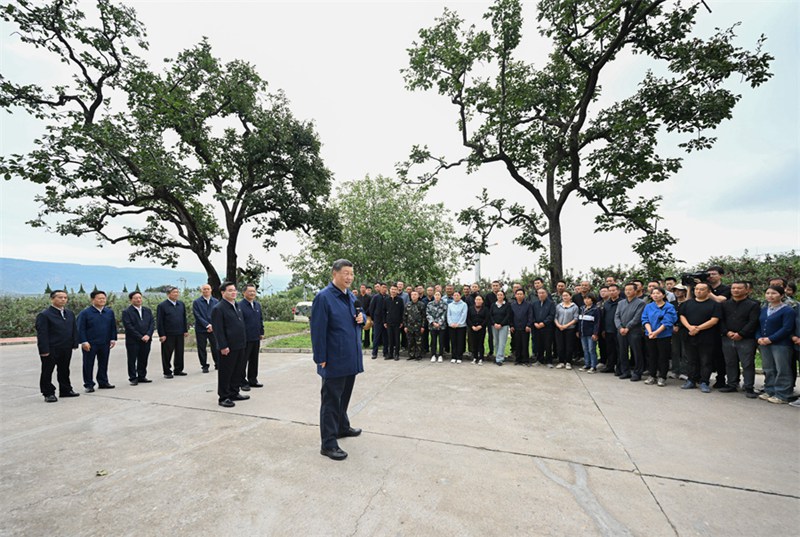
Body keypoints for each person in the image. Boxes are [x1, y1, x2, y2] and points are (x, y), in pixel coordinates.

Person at [310, 259, 365, 461]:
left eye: (351, 273)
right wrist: (320, 358)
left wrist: (363, 318)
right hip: (333, 359)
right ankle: (328, 443)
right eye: (345, 273)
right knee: (331, 401)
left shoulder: (350, 296)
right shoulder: (324, 298)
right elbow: (317, 330)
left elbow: (360, 316)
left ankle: (342, 427)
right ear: (335, 273)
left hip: (350, 358)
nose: (349, 277)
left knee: (344, 398)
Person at [35, 290, 80, 402]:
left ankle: (65, 390)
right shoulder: (44, 315)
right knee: (47, 371)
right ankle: (48, 393)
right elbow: (42, 334)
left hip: (66, 347)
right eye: (60, 297)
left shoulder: (69, 313)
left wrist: (75, 343)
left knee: (64, 369)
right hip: (51, 348)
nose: (63, 299)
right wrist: (44, 350)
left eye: (65, 297)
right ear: (52, 299)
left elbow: (74, 329)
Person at [719, 281, 760, 397]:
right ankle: (732, 384)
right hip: (727, 337)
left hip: (746, 339)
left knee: (747, 364)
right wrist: (727, 332)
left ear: (746, 290)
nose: (736, 290)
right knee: (730, 362)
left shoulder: (753, 304)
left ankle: (748, 387)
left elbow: (753, 322)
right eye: (733, 288)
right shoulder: (725, 304)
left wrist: (741, 333)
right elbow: (721, 320)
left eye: (739, 288)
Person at [757, 285, 797, 404]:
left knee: (782, 369)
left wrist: (771, 339)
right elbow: (758, 325)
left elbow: (787, 328)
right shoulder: (764, 309)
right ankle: (770, 390)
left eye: (773, 293)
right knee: (768, 368)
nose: (770, 296)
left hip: (781, 344)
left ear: (782, 295)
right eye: (768, 293)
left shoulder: (788, 310)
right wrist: (758, 338)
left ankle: (783, 394)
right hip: (764, 343)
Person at [212, 282, 249, 408]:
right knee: (226, 372)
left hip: (240, 344)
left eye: (234, 290)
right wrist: (223, 346)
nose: (233, 292)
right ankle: (223, 397)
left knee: (237, 371)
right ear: (223, 293)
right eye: (230, 290)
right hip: (227, 347)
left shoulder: (236, 305)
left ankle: (234, 392)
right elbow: (218, 330)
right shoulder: (219, 308)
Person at [679, 282, 721, 393]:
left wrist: (697, 328)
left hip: (707, 337)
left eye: (702, 289)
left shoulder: (714, 304)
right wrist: (690, 327)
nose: (698, 291)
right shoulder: (687, 304)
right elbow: (682, 316)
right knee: (691, 360)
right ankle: (691, 380)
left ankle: (704, 382)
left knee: (706, 361)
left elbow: (714, 320)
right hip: (689, 336)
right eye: (697, 289)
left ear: (708, 292)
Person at [77, 290, 117, 392]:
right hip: (90, 343)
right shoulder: (85, 313)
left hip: (105, 342)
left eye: (104, 298)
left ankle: (103, 382)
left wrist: (113, 339)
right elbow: (80, 328)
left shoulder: (109, 312)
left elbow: (113, 326)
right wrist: (84, 341)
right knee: (88, 364)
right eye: (99, 298)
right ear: (92, 300)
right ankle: (88, 384)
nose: (102, 300)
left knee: (103, 363)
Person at [641, 287, 678, 386]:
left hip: (663, 336)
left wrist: (656, 333)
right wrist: (650, 332)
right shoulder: (648, 306)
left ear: (663, 295)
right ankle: (652, 375)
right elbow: (645, 319)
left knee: (663, 356)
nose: (655, 295)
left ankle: (662, 376)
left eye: (658, 293)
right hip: (650, 335)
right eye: (653, 293)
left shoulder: (669, 307)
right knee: (651, 356)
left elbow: (668, 321)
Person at [121, 291, 154, 386]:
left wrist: (148, 334)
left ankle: (142, 376)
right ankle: (133, 377)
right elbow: (129, 326)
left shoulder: (147, 310)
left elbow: (151, 323)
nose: (138, 300)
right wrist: (140, 336)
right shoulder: (127, 312)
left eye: (140, 297)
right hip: (133, 340)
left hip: (147, 339)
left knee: (143, 358)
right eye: (136, 298)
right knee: (132, 359)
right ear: (131, 300)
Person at [614, 283, 646, 381]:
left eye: (630, 290)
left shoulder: (641, 303)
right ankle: (625, 371)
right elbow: (616, 316)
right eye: (626, 289)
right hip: (621, 331)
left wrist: (628, 327)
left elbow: (637, 317)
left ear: (635, 291)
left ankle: (637, 373)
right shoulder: (621, 303)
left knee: (637, 352)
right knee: (622, 351)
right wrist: (620, 327)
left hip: (634, 331)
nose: (627, 291)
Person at [157, 286, 188, 378]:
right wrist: (162, 334)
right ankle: (167, 371)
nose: (176, 294)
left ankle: (178, 369)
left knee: (179, 352)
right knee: (167, 353)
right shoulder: (162, 306)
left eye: (177, 292)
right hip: (168, 334)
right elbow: (160, 321)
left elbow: (184, 318)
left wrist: (185, 330)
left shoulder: (181, 304)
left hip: (179, 332)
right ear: (168, 294)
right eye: (174, 292)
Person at [239, 284, 265, 390]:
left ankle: (253, 379)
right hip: (245, 338)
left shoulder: (257, 305)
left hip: (255, 337)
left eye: (254, 291)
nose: (252, 293)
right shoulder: (240, 305)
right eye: (250, 291)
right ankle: (241, 381)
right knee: (243, 361)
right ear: (244, 293)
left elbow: (260, 319)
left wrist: (261, 332)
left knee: (254, 360)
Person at [192, 284, 219, 373]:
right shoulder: (197, 302)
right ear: (201, 291)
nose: (206, 291)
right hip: (201, 328)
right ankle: (204, 365)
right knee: (202, 347)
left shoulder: (216, 301)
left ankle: (218, 363)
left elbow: (217, 315)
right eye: (204, 289)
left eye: (208, 289)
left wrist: (213, 325)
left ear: (211, 290)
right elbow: (197, 315)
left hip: (214, 328)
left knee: (215, 346)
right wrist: (207, 325)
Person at [669, 284, 690, 380]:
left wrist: (679, 326)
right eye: (675, 290)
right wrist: (673, 326)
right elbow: (668, 316)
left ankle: (684, 372)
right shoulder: (671, 303)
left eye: (680, 290)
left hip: (685, 330)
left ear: (685, 291)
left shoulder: (689, 303)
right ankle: (675, 371)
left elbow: (688, 317)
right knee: (675, 351)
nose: (677, 292)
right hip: (673, 330)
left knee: (685, 352)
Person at [554, 291, 579, 370]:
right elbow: (555, 317)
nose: (565, 297)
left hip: (570, 329)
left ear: (570, 296)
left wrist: (566, 326)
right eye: (563, 296)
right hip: (559, 328)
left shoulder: (574, 306)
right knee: (560, 346)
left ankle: (568, 362)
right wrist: (559, 325)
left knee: (569, 346)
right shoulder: (558, 306)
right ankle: (561, 362)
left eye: (566, 295)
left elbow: (575, 318)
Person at [577, 293, 601, 373]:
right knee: (585, 349)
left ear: (592, 300)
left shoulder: (595, 309)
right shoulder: (582, 308)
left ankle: (593, 366)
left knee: (592, 349)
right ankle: (587, 364)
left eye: (588, 299)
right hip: (583, 333)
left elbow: (597, 323)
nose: (586, 301)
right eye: (585, 299)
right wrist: (578, 331)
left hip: (591, 333)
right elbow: (579, 321)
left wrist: (595, 333)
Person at [532, 288, 555, 367]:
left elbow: (551, 315)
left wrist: (544, 323)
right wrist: (535, 322)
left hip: (547, 328)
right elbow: (532, 315)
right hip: (537, 327)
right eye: (539, 293)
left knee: (548, 345)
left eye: (543, 293)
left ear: (546, 294)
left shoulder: (551, 304)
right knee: (538, 344)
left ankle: (549, 361)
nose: (541, 295)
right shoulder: (534, 304)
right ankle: (539, 360)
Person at [509, 288, 533, 366]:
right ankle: (518, 359)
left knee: (525, 344)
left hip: (525, 327)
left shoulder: (528, 304)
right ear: (515, 295)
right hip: (515, 327)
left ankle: (525, 360)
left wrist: (528, 325)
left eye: (521, 294)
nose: (519, 295)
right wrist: (511, 325)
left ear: (524, 295)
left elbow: (530, 315)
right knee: (517, 344)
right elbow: (511, 316)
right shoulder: (512, 305)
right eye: (518, 294)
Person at [600, 284, 620, 374]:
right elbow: (604, 317)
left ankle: (619, 368)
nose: (612, 292)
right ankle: (610, 366)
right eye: (610, 291)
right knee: (610, 349)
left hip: (618, 330)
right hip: (608, 330)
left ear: (618, 291)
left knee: (619, 350)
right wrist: (603, 329)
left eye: (614, 290)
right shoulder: (606, 303)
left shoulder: (622, 302)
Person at [403, 291, 426, 360]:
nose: (413, 296)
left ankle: (418, 355)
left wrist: (422, 326)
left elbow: (424, 316)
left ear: (418, 296)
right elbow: (405, 316)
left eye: (415, 294)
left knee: (418, 341)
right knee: (410, 341)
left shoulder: (421, 304)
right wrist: (405, 326)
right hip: (409, 326)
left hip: (418, 327)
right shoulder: (407, 305)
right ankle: (411, 355)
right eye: (412, 294)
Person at [467, 295, 489, 365]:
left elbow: (486, 319)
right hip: (472, 328)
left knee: (480, 343)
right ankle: (475, 357)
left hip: (481, 328)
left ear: (482, 301)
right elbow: (468, 319)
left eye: (480, 300)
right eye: (477, 299)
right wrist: (472, 326)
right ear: (475, 300)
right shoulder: (470, 309)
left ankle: (481, 358)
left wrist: (481, 326)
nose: (478, 301)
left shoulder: (485, 309)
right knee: (474, 343)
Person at [384, 285, 404, 361]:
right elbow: (383, 311)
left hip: (397, 323)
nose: (393, 291)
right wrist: (384, 321)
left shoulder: (400, 300)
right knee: (390, 339)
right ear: (390, 290)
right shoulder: (386, 300)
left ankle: (397, 354)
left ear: (397, 290)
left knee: (397, 339)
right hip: (389, 322)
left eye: (395, 289)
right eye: (392, 289)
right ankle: (390, 354)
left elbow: (402, 311)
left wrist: (402, 321)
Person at [447, 291, 468, 364]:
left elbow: (464, 314)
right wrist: (451, 323)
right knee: (453, 341)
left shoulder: (464, 304)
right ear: (453, 296)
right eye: (454, 295)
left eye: (457, 295)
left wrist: (458, 323)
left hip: (461, 326)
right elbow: (448, 315)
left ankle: (459, 357)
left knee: (460, 341)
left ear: (460, 296)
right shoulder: (450, 305)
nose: (456, 296)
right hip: (452, 326)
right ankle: (453, 356)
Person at [427, 291, 448, 362]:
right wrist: (433, 322)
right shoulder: (430, 304)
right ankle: (433, 355)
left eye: (438, 295)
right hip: (432, 326)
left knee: (441, 341)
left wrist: (439, 323)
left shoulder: (444, 304)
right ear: (434, 295)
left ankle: (440, 355)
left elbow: (445, 314)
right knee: (433, 341)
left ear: (441, 296)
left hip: (441, 326)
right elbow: (428, 314)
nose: (437, 296)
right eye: (436, 295)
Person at [369, 282, 388, 359]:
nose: (384, 289)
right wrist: (373, 319)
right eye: (383, 287)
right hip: (377, 320)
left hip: (386, 321)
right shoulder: (376, 297)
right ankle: (374, 353)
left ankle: (385, 352)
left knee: (385, 338)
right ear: (380, 288)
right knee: (376, 337)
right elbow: (371, 309)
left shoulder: (388, 297)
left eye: (385, 287)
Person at [484, 281, 501, 357]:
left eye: (496, 285)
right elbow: (486, 308)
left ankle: (499, 352)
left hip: (501, 320)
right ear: (491, 287)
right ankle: (491, 351)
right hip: (491, 320)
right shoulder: (488, 296)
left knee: (500, 338)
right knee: (491, 336)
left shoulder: (502, 295)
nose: (495, 287)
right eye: (493, 285)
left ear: (499, 286)